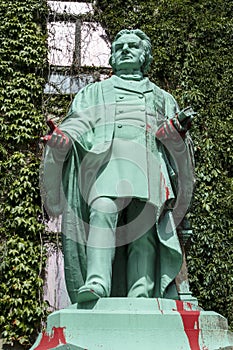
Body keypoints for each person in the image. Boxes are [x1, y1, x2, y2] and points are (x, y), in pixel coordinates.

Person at [41, 29, 195, 304]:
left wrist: (175, 132)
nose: (125, 50)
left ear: (144, 55)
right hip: (105, 166)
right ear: (112, 56)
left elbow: (176, 143)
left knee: (143, 232)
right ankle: (97, 282)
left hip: (148, 169)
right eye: (120, 46)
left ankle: (141, 293)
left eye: (132, 46)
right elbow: (77, 125)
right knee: (101, 212)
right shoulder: (94, 93)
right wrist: (63, 139)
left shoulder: (162, 97)